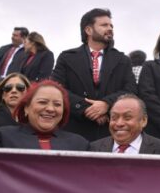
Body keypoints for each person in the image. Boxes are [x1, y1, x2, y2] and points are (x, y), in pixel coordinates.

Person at [51, 8, 136, 141]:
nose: (110, 28)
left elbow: (130, 90)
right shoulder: (67, 57)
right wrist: (86, 109)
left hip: (109, 132)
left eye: (111, 25)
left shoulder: (123, 60)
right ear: (88, 30)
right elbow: (57, 88)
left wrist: (106, 104)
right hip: (74, 130)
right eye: (104, 25)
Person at [0, 80, 89, 151]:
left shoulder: (80, 144)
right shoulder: (1, 138)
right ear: (26, 108)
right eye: (42, 102)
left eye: (57, 104)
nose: (50, 109)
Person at [90, 94, 160, 154]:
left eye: (127, 118)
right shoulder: (93, 149)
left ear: (143, 121)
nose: (119, 123)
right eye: (114, 118)